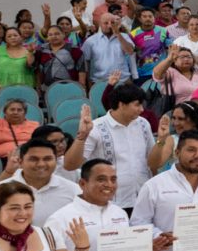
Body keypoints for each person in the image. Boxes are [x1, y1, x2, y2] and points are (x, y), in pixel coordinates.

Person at [65, 83, 154, 213]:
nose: (141, 109)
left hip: (142, 200)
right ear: (121, 104)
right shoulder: (96, 127)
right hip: (110, 203)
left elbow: (152, 159)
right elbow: (70, 165)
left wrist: (162, 141)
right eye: (137, 104)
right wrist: (82, 136)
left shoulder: (143, 124)